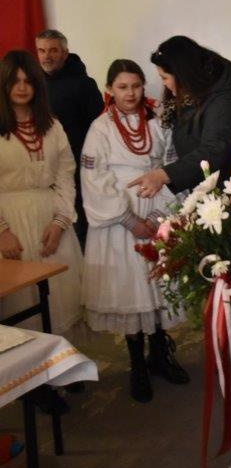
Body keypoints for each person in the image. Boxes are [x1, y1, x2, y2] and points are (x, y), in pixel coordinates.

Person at [80, 59, 189, 403]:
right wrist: (130, 221)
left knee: (157, 286)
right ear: (109, 90)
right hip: (119, 222)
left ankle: (160, 355)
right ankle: (137, 364)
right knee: (131, 291)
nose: (130, 93)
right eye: (122, 87)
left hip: (156, 210)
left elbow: (172, 165)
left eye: (136, 86)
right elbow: (94, 179)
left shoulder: (158, 122)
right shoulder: (100, 129)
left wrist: (160, 216)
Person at [0, 50, 83, 334]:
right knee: (20, 305)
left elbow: (66, 176)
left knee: (59, 299)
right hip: (9, 223)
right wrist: (2, 231)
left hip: (51, 218)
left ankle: (60, 359)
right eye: (15, 81)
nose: (22, 87)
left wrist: (60, 222)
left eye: (28, 81)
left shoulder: (52, 125)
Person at [128, 36, 231, 198]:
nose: (164, 84)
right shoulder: (197, 92)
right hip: (206, 190)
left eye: (165, 78)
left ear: (182, 74)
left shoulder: (227, 99)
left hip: (228, 194)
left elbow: (214, 150)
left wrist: (164, 174)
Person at [35, 29, 104, 249]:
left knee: (80, 226)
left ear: (65, 53)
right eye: (42, 51)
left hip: (78, 167)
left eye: (53, 50)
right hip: (42, 168)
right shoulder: (32, 85)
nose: (47, 56)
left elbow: (98, 129)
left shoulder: (84, 84)